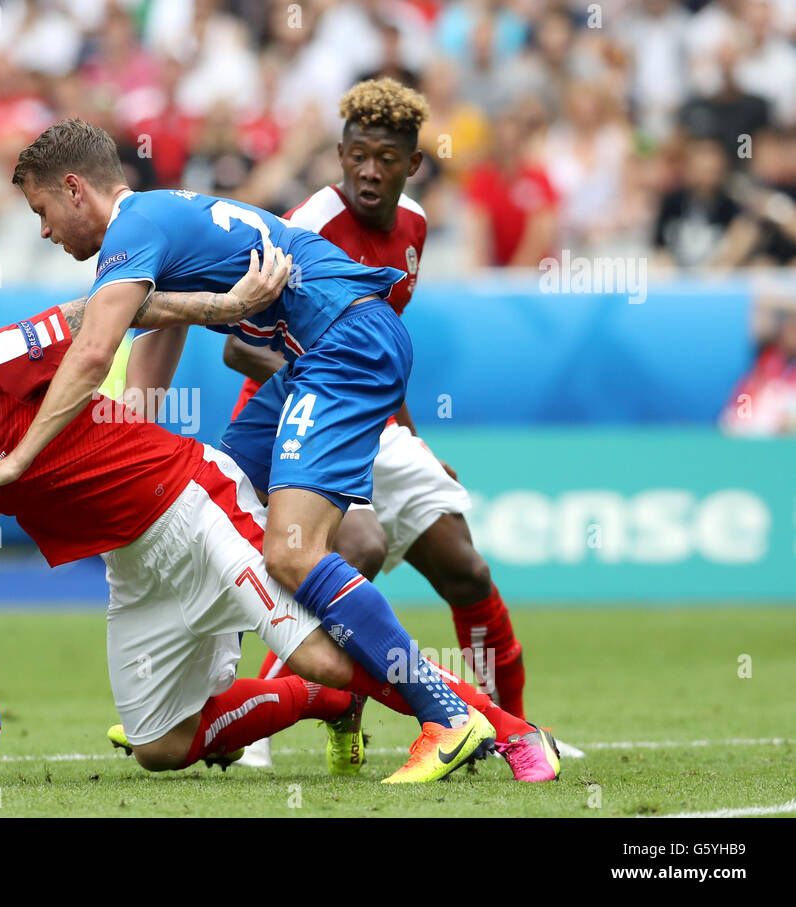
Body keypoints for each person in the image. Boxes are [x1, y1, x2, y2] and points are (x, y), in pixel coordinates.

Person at [0, 295, 552, 783]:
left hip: (194, 502)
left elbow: (123, 305)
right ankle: (332, 705)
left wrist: (228, 304)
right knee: (160, 746)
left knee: (327, 653)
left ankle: (508, 731)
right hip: (136, 569)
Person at [0, 118, 523, 783]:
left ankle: (454, 717)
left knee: (291, 551)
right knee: (226, 492)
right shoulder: (158, 223)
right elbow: (149, 368)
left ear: (76, 189)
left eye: (43, 211)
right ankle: (206, 691)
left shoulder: (133, 229)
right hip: (318, 354)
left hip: (340, 345)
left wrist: (19, 458)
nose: (45, 231)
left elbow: (91, 353)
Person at [197, 79, 530, 768]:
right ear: (340, 154)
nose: (369, 170)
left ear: (413, 163)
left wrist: (417, 441)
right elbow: (237, 343)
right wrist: (326, 388)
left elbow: (378, 348)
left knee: (466, 569)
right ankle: (259, 713)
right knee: (354, 550)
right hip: (296, 415)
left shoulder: (414, 227)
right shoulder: (305, 228)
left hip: (373, 421)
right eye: (357, 155)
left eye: (386, 156)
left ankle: (513, 731)